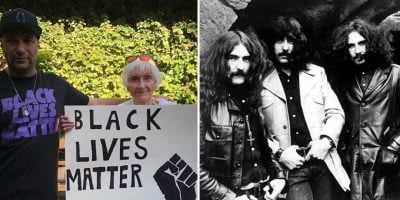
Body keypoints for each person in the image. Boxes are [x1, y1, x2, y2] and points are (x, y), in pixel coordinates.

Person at [0, 8, 122, 200]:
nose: (21, 48)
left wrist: (140, 102)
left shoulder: (56, 85)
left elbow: (94, 103)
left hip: (46, 195)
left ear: (37, 44)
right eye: (12, 40)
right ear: (3, 44)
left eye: (28, 40)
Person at [260, 16, 350, 200]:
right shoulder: (260, 81)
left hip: (323, 161)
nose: (285, 47)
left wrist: (325, 142)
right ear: (269, 43)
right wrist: (279, 153)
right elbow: (255, 128)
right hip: (289, 168)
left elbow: (335, 112)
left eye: (291, 40)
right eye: (279, 40)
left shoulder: (317, 74)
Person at [200, 30, 286, 200]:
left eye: (246, 59)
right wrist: (230, 198)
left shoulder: (253, 100)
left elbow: (265, 148)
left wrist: (278, 177)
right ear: (220, 61)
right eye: (233, 58)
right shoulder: (204, 104)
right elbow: (193, 165)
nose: (240, 66)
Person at [330, 19, 400, 200]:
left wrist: (393, 148)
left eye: (362, 43)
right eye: (351, 46)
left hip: (387, 165)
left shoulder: (395, 74)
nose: (357, 51)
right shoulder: (343, 80)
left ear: (373, 44)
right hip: (353, 165)